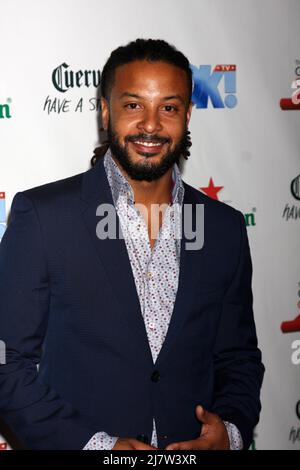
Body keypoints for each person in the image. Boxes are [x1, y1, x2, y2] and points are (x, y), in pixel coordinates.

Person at [0, 39, 264, 450]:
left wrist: (228, 432)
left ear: (189, 115)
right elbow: (6, 362)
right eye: (134, 105)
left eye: (169, 107)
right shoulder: (44, 217)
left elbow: (239, 358)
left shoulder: (224, 228)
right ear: (106, 112)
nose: (152, 125)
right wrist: (97, 448)